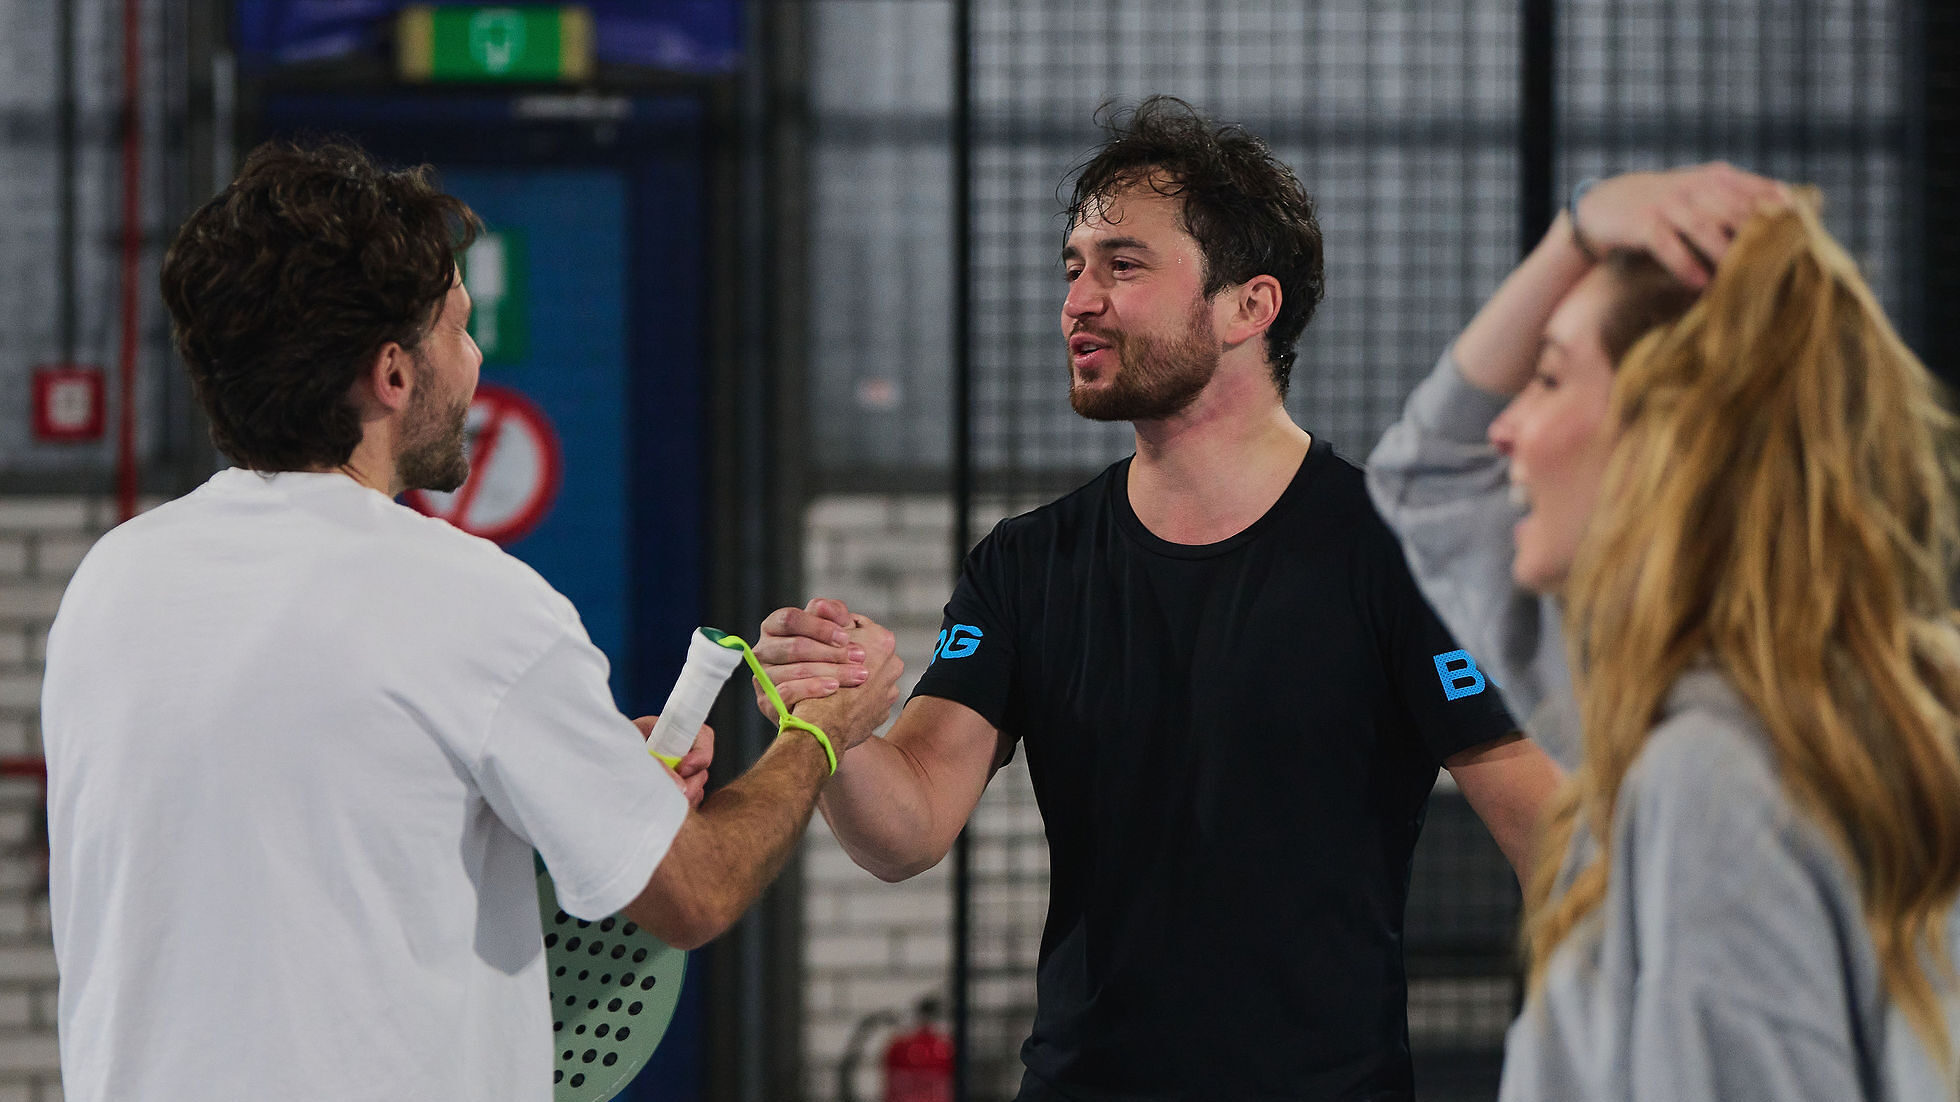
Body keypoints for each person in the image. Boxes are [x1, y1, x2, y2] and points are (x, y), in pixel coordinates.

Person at [39, 140, 902, 1102]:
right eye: (458, 327)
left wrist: (554, 762)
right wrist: (817, 738)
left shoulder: (112, 583)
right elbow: (691, 891)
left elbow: (320, 814)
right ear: (394, 375)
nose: (476, 356)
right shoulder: (471, 603)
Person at [758, 97, 1563, 1101]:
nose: (1076, 300)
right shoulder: (1025, 564)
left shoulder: (1394, 553)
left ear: (1247, 307)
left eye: (1121, 265)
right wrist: (830, 728)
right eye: (1071, 267)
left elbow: (1556, 847)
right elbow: (908, 824)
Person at [1369, 165, 1960, 1099]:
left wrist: (1577, 231)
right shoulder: (1829, 709)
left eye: (1552, 378)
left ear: (1667, 431)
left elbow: (1433, 475)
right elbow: (1426, 480)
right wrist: (1578, 234)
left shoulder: (1710, 775)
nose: (1507, 430)